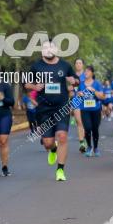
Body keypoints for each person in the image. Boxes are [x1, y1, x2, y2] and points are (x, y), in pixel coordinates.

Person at [24, 41, 78, 181]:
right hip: (44, 109)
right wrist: (35, 87)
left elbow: (76, 80)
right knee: (47, 142)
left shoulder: (65, 65)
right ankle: (52, 149)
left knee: (62, 136)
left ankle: (60, 170)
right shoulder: (36, 66)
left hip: (61, 107)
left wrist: (74, 81)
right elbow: (26, 83)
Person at [79, 66, 107, 156]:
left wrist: (93, 90)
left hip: (96, 109)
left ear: (92, 73)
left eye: (88, 71)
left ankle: (96, 148)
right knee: (87, 128)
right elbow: (77, 95)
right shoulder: (82, 84)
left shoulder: (97, 84)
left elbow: (102, 96)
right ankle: (89, 147)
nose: (86, 73)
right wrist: (79, 94)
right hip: (84, 109)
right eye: (85, 71)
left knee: (95, 129)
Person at [72, 58, 87, 153]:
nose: (78, 64)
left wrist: (84, 93)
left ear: (83, 65)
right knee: (78, 122)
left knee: (85, 123)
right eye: (76, 63)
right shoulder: (71, 76)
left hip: (86, 101)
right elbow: (68, 88)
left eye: (80, 63)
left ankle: (85, 139)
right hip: (76, 100)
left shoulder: (86, 75)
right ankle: (82, 143)